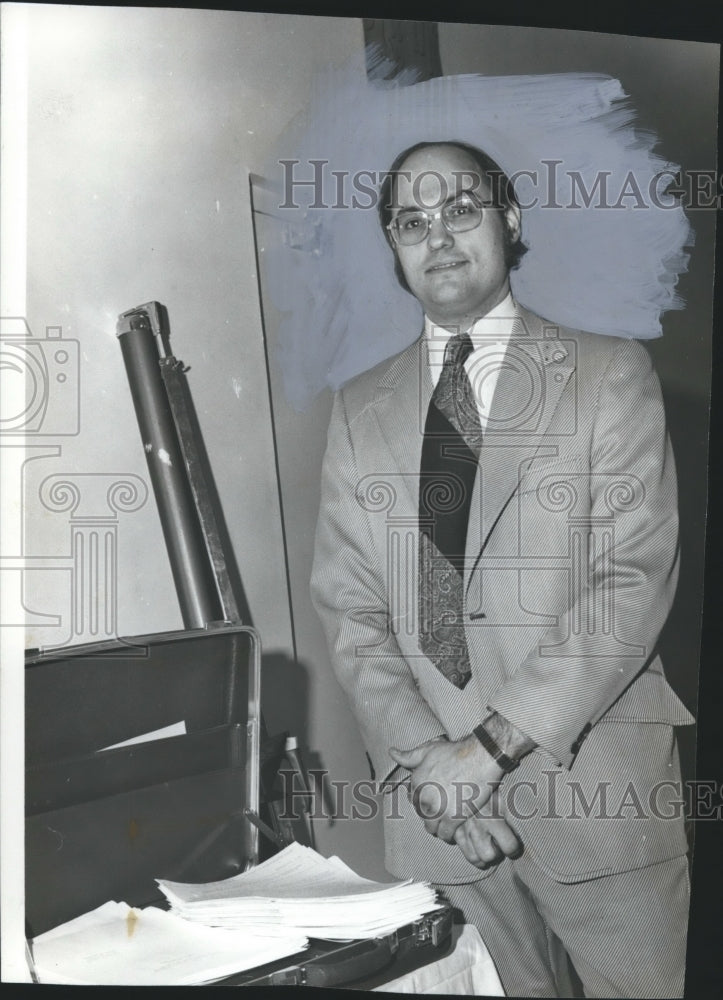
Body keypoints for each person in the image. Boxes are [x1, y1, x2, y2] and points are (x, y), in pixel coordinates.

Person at [310, 140, 694, 998]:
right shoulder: (359, 408)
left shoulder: (608, 375)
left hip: (594, 806)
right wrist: (429, 767)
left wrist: (484, 752)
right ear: (394, 247)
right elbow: (352, 612)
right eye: (411, 221)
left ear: (509, 220)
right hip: (443, 826)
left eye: (460, 209)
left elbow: (628, 587)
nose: (436, 237)